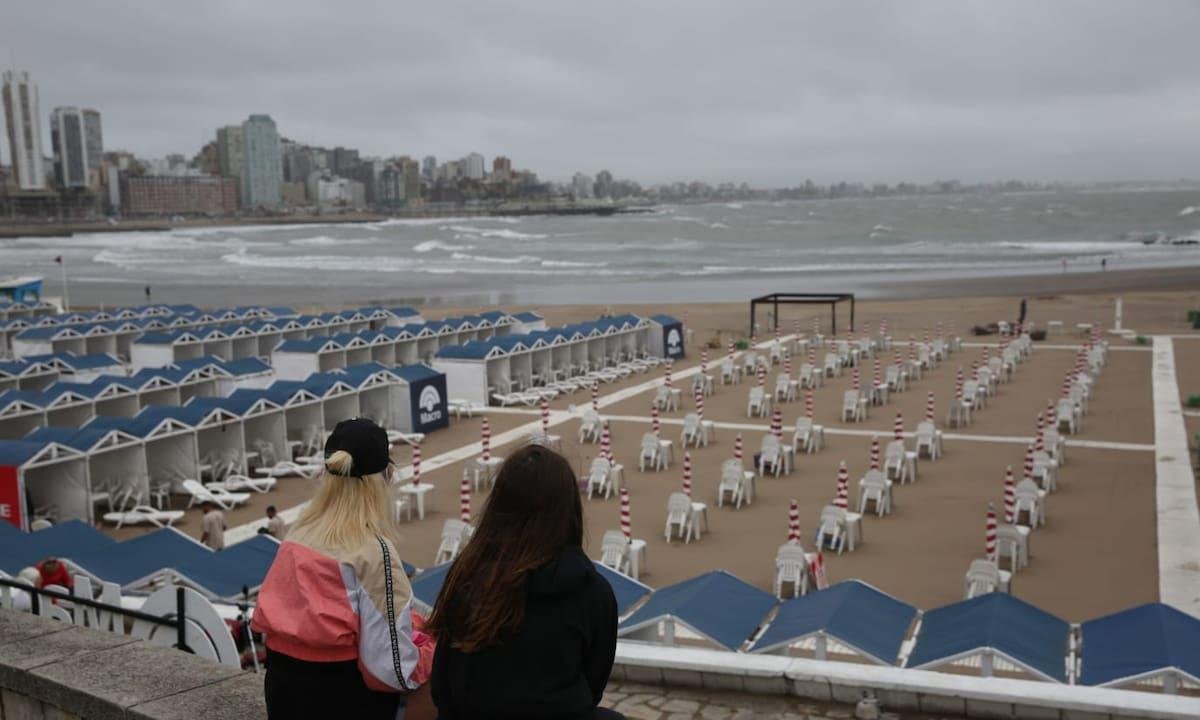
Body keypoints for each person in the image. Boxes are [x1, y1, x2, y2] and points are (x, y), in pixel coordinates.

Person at [252, 418, 435, 720]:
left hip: (283, 696)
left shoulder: (297, 534)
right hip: (342, 701)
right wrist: (431, 653)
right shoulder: (374, 552)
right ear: (385, 478)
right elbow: (391, 669)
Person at [427, 445, 621, 720]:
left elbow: (443, 687)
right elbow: (593, 685)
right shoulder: (593, 592)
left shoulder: (467, 577)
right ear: (569, 510)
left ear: (498, 504)